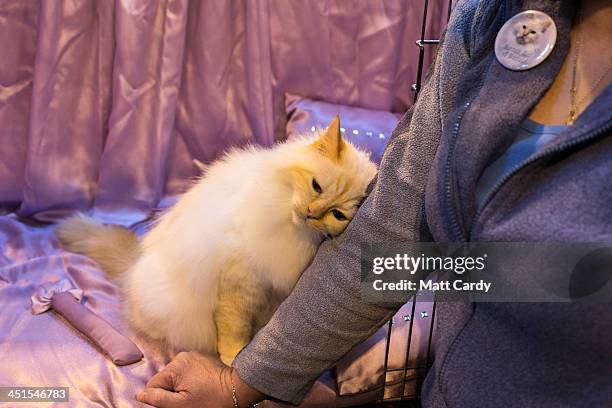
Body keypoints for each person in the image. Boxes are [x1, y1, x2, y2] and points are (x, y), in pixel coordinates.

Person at [136, 0, 612, 407]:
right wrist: (248, 381)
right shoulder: (491, 17)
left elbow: (584, 278)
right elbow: (390, 235)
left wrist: (440, 265)